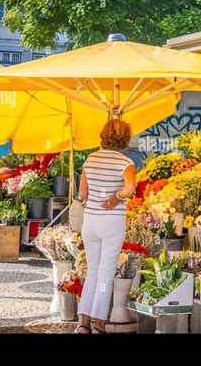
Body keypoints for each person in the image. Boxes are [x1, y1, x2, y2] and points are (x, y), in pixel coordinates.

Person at [76, 119, 136, 334]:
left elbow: (83, 194)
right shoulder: (126, 163)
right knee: (106, 274)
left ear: (103, 135)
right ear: (126, 138)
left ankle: (83, 323)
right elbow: (130, 189)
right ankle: (99, 325)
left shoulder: (90, 159)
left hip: (90, 221)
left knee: (91, 272)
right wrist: (116, 197)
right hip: (111, 223)